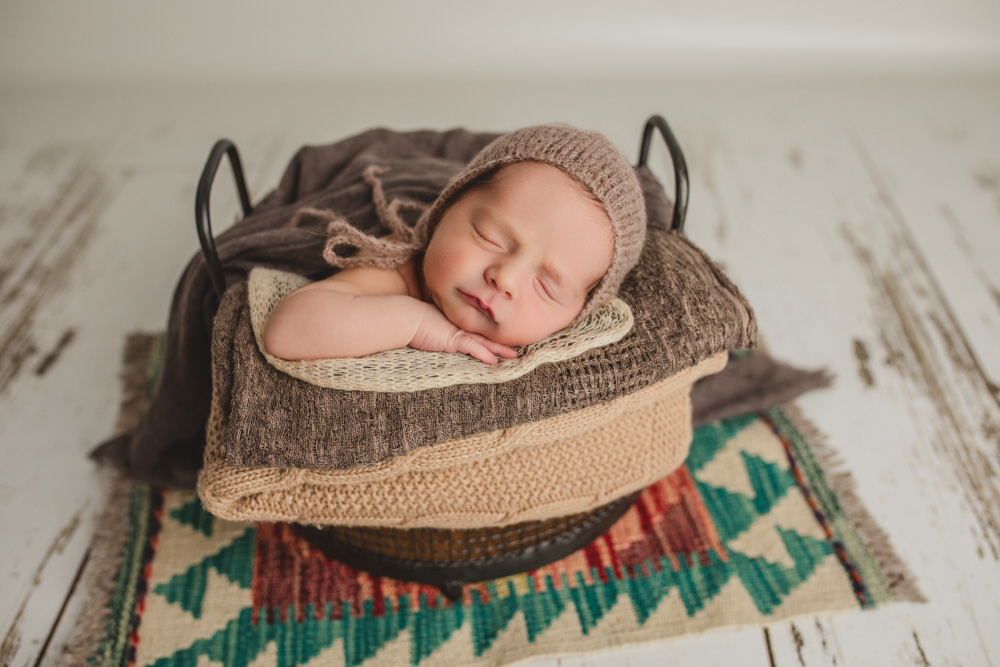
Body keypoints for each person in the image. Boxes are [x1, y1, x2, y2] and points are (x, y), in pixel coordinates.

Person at [262, 124, 647, 364]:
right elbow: (286, 330)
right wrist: (416, 323)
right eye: (489, 236)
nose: (505, 278)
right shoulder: (395, 269)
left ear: (577, 315)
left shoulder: (569, 357)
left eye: (546, 286)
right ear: (444, 210)